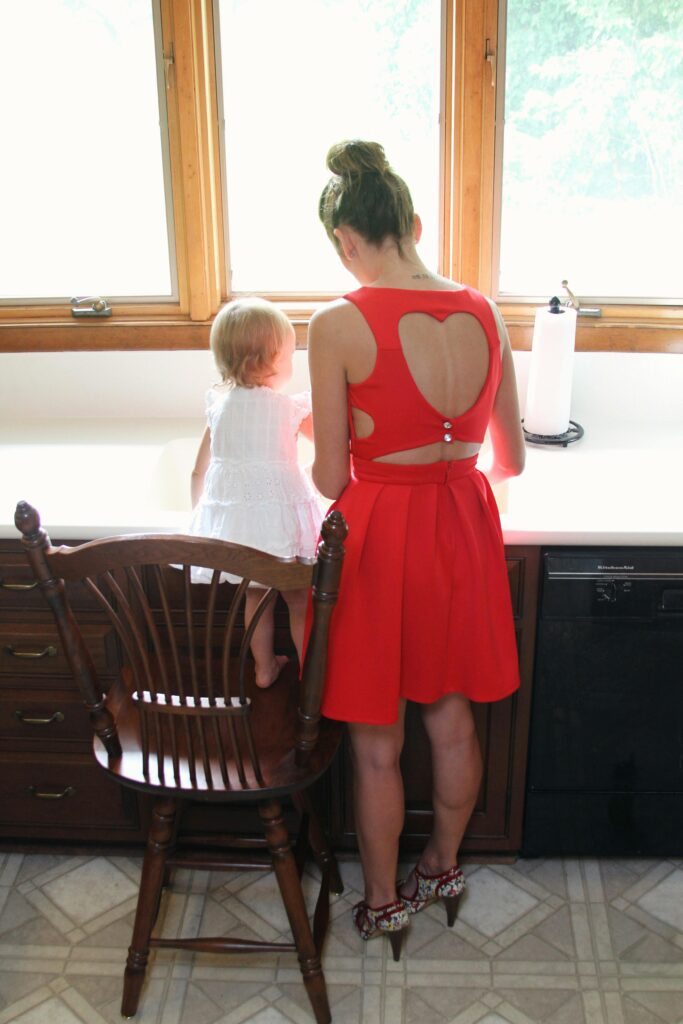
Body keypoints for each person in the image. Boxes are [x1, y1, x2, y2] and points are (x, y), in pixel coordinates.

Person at [307, 140, 525, 958]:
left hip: (379, 534)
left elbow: (332, 477)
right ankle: (440, 866)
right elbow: (511, 458)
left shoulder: (336, 323)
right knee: (451, 716)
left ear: (345, 240)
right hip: (462, 524)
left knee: (377, 740)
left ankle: (383, 903)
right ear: (415, 225)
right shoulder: (485, 313)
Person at [190, 296, 323, 687]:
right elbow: (332, 452)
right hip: (282, 526)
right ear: (275, 359)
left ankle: (263, 668)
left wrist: (201, 519)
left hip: (240, 530)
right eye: (291, 355)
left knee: (255, 597)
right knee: (299, 600)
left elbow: (199, 470)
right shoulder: (288, 408)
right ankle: (309, 675)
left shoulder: (219, 408)